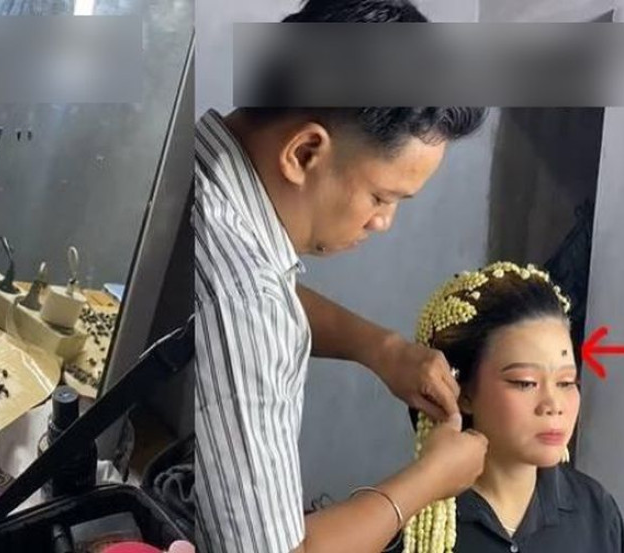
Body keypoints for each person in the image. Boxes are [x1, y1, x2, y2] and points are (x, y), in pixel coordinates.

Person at [194, 1, 491, 551]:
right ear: (305, 152)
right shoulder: (250, 305)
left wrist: (380, 349)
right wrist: (428, 481)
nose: (383, 222)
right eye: (381, 196)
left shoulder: (199, 172)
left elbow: (244, 294)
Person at [397, 261, 624, 553]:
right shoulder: (407, 522)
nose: (553, 405)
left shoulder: (595, 513)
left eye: (566, 382)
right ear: (462, 393)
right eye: (525, 382)